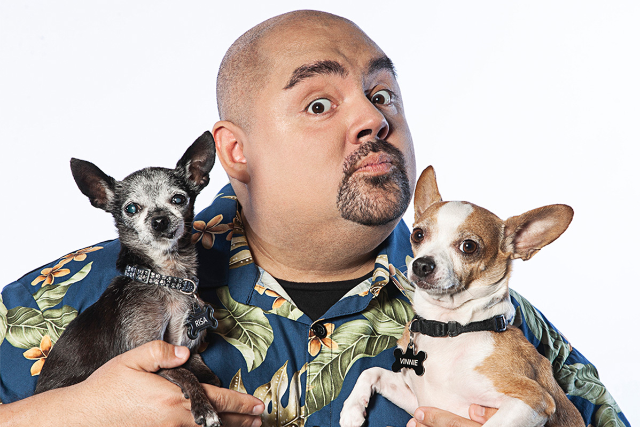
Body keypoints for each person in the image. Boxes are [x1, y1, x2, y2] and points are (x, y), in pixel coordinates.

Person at [0, 10, 629, 427]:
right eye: (321, 102)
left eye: (383, 96)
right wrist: (59, 416)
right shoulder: (64, 299)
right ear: (233, 152)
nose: (375, 119)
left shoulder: (501, 330)